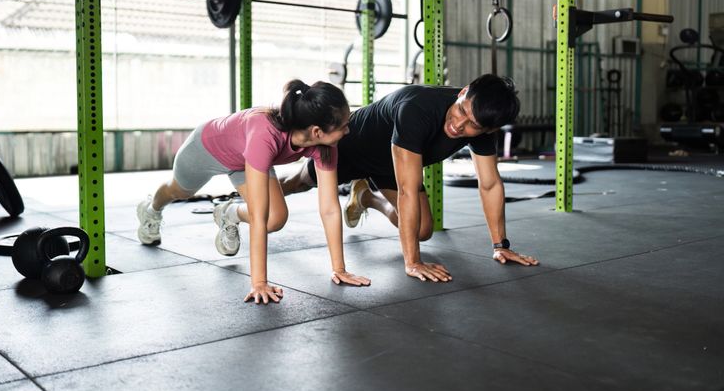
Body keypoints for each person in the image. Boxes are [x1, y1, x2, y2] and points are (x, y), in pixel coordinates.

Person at [281, 74, 539, 282]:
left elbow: (490, 183)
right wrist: (412, 262)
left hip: (390, 164)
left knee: (423, 230)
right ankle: (257, 192)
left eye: (473, 125)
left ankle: (366, 196)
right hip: (351, 146)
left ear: (490, 129)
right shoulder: (417, 107)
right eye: (462, 111)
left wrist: (500, 245)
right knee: (299, 182)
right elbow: (407, 191)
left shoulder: (483, 127)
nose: (460, 125)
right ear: (463, 92)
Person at [137, 79, 370, 304]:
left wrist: (340, 269)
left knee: (276, 219)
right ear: (318, 131)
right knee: (178, 191)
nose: (348, 131)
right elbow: (258, 215)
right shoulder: (265, 134)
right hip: (206, 149)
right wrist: (259, 283)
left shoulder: (326, 147)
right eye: (343, 126)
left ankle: (229, 213)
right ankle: (151, 208)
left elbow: (329, 208)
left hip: (245, 159)